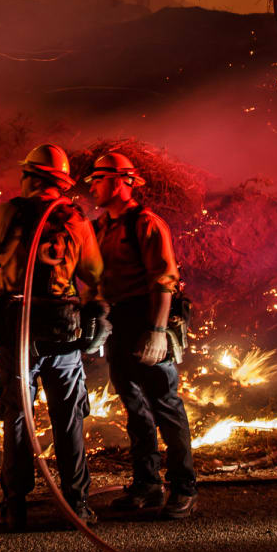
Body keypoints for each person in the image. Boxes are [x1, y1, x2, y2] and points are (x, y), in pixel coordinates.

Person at [0, 144, 102, 530]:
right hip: (63, 327)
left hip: (18, 328)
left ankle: (15, 507)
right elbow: (94, 271)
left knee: (17, 416)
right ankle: (76, 504)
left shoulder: (6, 212)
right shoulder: (76, 218)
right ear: (60, 182)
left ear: (30, 176)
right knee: (68, 416)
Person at [87, 151, 198, 520]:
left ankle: (184, 488)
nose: (93, 187)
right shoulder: (101, 227)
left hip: (147, 316)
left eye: (99, 180)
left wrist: (157, 331)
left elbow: (164, 279)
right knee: (135, 408)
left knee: (165, 405)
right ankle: (147, 484)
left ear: (122, 181)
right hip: (117, 322)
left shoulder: (147, 224)